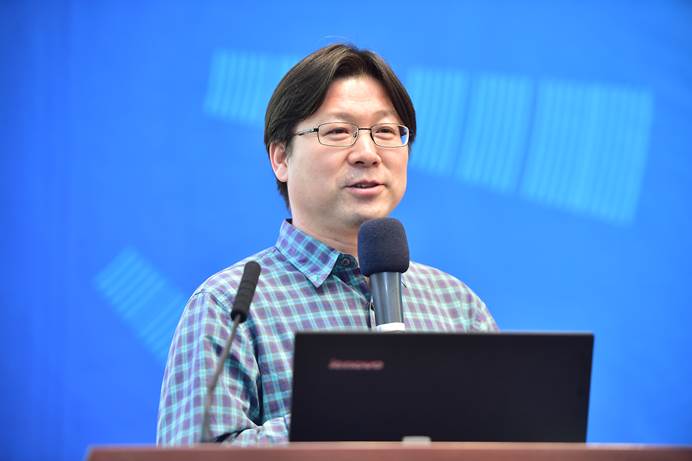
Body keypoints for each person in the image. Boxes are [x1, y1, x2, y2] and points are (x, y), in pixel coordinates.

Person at [157, 43, 498, 445]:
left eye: (386, 132)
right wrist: (348, 414)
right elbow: (196, 456)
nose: (368, 153)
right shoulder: (229, 306)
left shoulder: (457, 307)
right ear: (281, 158)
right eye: (338, 131)